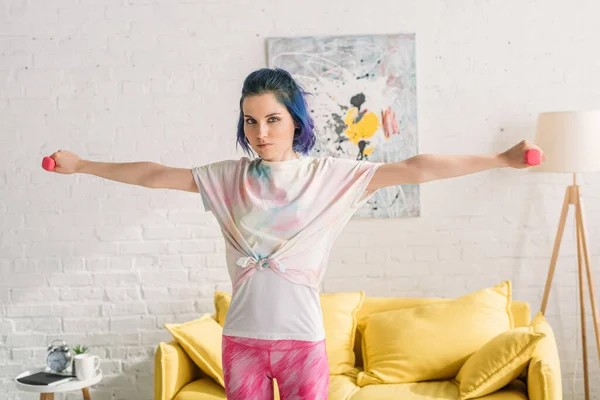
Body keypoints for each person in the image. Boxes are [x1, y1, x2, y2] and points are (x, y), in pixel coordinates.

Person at [46, 68, 543, 400]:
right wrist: (84, 164)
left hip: (302, 344)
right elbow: (154, 174)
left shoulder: (329, 177)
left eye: (273, 119)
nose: (261, 131)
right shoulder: (228, 179)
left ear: (294, 120)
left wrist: (500, 160)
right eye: (251, 121)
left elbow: (416, 168)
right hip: (241, 342)